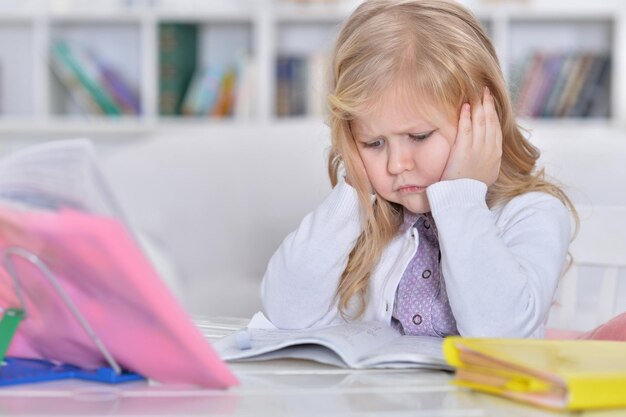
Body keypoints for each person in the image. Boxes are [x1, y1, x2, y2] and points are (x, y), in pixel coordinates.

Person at [261, 0, 577, 338]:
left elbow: (501, 336)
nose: (397, 164)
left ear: (485, 119)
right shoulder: (370, 218)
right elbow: (285, 313)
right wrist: (354, 191)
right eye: (373, 143)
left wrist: (461, 198)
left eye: (419, 136)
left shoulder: (532, 213)